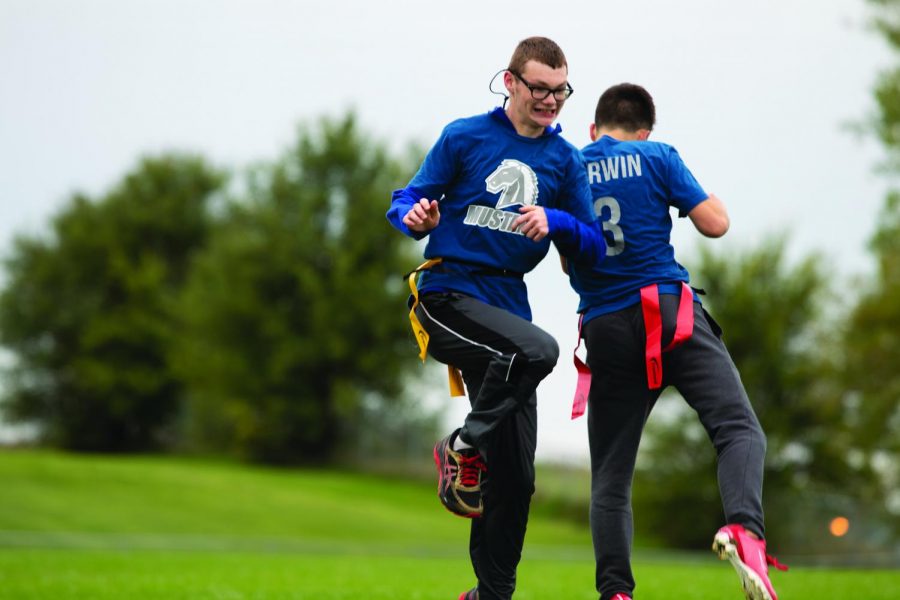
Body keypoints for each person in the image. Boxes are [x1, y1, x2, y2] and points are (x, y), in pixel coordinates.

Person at [386, 37, 605, 600]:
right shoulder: (465, 136)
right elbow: (406, 200)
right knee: (538, 351)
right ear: (509, 82)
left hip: (508, 309)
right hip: (448, 293)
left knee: (517, 480)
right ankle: (461, 445)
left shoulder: (564, 161)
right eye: (540, 89)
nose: (551, 101)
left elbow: (594, 245)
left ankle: (491, 595)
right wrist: (414, 215)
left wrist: (555, 220)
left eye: (560, 92)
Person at [567, 83, 787, 600]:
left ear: (593, 130)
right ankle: (743, 529)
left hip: (604, 325)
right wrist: (712, 200)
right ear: (643, 131)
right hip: (668, 314)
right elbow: (716, 225)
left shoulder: (568, 165)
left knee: (612, 477)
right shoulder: (656, 154)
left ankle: (616, 591)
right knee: (737, 428)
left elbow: (567, 254)